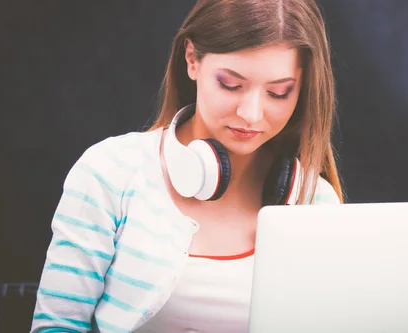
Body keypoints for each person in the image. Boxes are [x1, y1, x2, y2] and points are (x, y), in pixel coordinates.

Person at [30, 0, 344, 332]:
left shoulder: (315, 203)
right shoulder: (111, 174)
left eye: (279, 93)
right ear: (192, 59)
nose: (251, 114)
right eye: (231, 84)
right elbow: (56, 326)